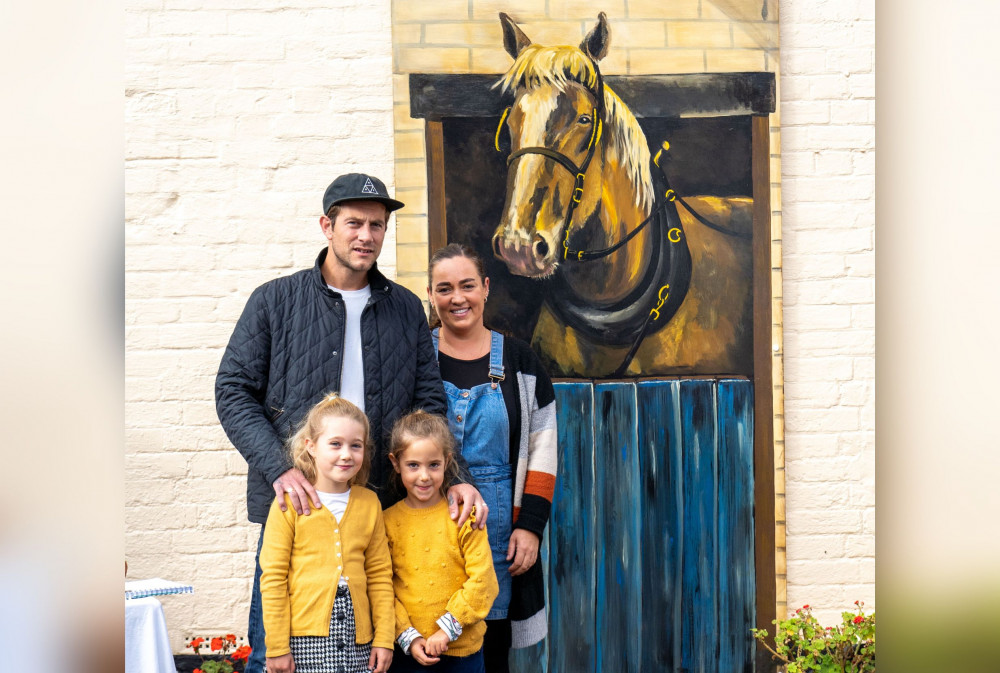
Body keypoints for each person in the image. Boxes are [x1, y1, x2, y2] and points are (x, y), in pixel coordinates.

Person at [216, 174, 487, 673]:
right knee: (275, 651)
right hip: (297, 503)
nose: (366, 235)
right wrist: (281, 469)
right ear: (327, 226)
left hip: (377, 506)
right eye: (354, 223)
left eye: (377, 225)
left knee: (376, 652)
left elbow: (428, 406)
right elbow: (232, 391)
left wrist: (457, 479)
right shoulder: (275, 302)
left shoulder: (406, 308)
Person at [426, 244, 558, 672]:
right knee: (428, 633)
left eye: (467, 285)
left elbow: (543, 448)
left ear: (485, 288)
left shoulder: (521, 362)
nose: (457, 298)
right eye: (444, 289)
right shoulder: (416, 360)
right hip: (427, 522)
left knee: (491, 645)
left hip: (500, 529)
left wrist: (531, 526)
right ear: (431, 295)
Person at [259, 395, 394, 673]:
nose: (346, 454)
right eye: (335, 444)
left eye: (355, 446)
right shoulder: (289, 503)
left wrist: (384, 639)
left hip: (359, 640)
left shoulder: (369, 503)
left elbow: (380, 575)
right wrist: (276, 647)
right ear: (311, 446)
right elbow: (273, 578)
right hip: (303, 640)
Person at [383, 411, 499, 673]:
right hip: (408, 654)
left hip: (462, 655)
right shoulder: (386, 522)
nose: (424, 476)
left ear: (447, 461)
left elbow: (484, 581)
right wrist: (408, 636)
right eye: (413, 465)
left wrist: (447, 630)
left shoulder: (462, 515)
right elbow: (381, 587)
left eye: (433, 465)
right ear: (395, 462)